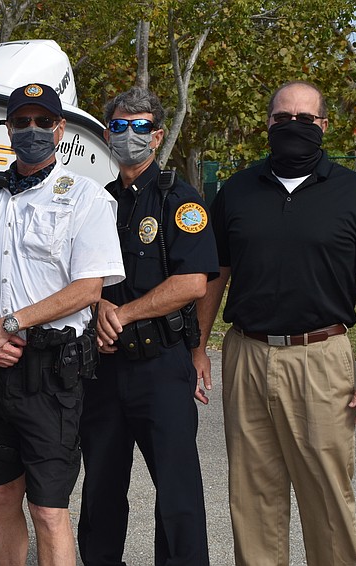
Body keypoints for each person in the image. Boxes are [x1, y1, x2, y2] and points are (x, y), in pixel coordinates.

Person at [193, 80, 356, 566]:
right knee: (252, 499)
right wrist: (199, 346)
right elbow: (216, 276)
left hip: (321, 358)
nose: (293, 127)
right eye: (283, 118)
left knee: (327, 499)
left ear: (323, 127)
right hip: (246, 355)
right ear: (267, 124)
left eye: (305, 119)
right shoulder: (237, 192)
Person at [0, 83, 124, 566]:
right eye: (20, 122)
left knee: (49, 509)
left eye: (40, 122)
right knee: (1, 498)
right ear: (7, 128)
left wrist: (11, 323)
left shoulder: (85, 198)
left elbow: (87, 290)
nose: (30, 130)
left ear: (59, 129)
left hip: (50, 374)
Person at [75, 87, 216, 566]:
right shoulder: (96, 201)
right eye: (118, 126)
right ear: (108, 133)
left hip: (161, 368)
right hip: (105, 371)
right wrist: (96, 311)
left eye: (139, 127)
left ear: (156, 136)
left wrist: (125, 314)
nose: (128, 136)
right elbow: (78, 276)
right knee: (100, 494)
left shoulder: (179, 198)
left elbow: (194, 281)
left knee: (178, 498)